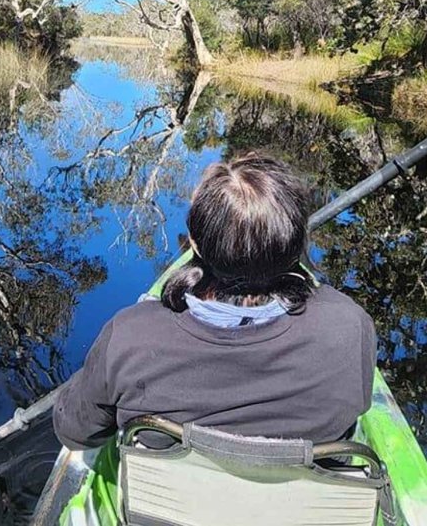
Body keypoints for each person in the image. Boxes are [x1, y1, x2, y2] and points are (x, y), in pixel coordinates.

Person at [52, 152, 377, 450]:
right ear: (297, 246)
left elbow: (74, 433)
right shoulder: (348, 326)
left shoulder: (130, 337)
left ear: (194, 244)